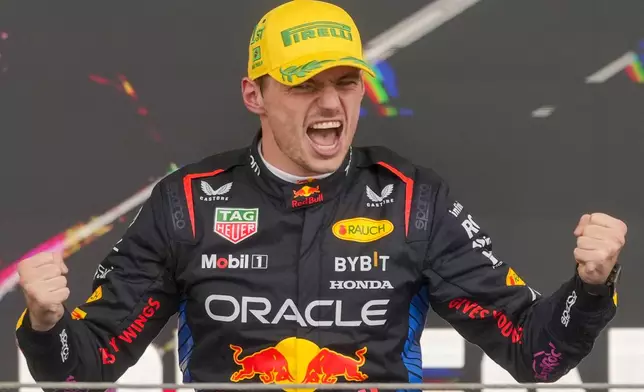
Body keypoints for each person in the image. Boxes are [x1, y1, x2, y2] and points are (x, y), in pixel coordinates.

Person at [16, 0, 627, 390]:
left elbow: (535, 356)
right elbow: (83, 371)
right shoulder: (189, 202)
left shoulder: (413, 200)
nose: (331, 102)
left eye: (345, 82)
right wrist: (46, 326)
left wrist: (592, 290)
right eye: (306, 84)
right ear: (255, 95)